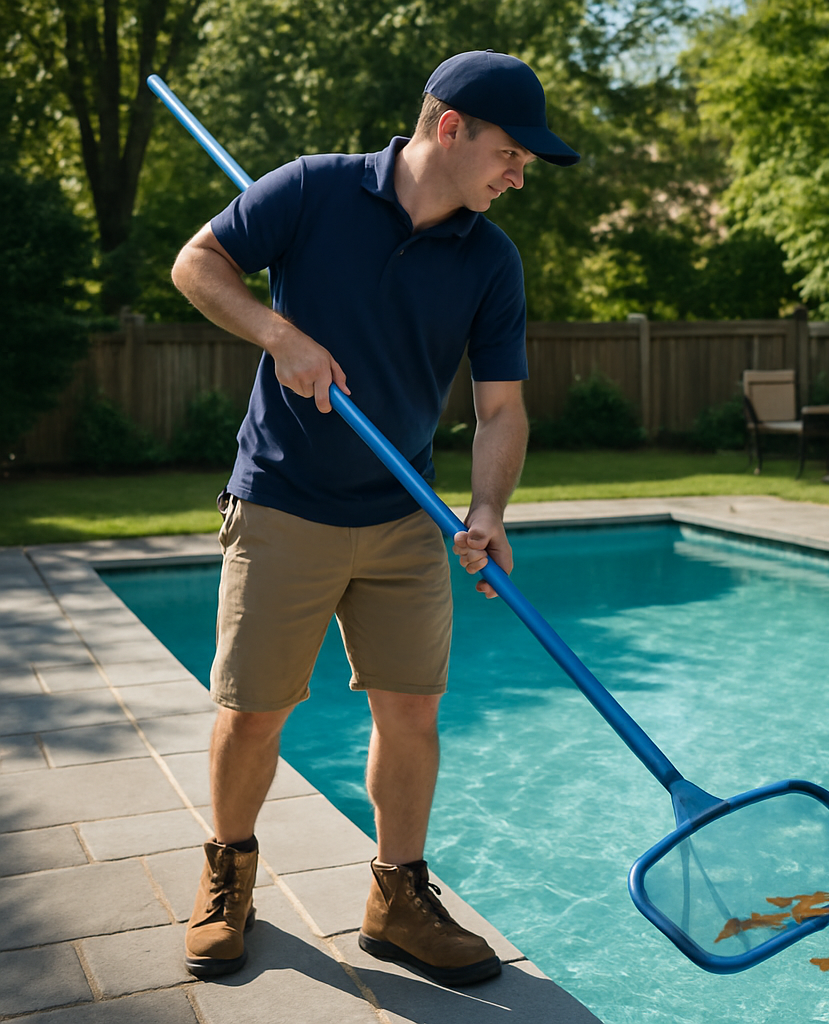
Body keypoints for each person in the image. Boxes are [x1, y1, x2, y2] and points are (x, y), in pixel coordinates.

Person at [170, 50, 579, 989]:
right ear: (451, 128)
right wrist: (283, 336)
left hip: (402, 515)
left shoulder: (490, 259)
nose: (519, 175)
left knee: (413, 714)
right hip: (283, 498)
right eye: (512, 154)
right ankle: (227, 874)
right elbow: (198, 263)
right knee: (254, 711)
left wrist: (486, 508)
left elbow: (503, 409)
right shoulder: (312, 191)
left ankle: (397, 896)